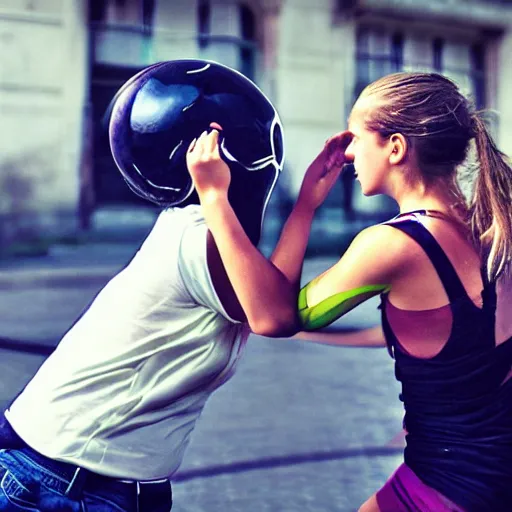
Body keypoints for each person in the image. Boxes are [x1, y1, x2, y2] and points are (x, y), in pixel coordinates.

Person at [186, 72, 512, 511]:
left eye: (357, 137)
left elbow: (271, 317)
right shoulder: (491, 228)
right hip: (488, 475)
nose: (350, 152)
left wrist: (214, 197)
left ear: (396, 148)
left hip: (447, 487)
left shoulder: (394, 244)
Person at [0, 59, 288, 512]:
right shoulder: (196, 237)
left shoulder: (200, 234)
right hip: (63, 484)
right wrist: (214, 194)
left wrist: (308, 199)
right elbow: (275, 313)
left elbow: (273, 296)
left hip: (82, 478)